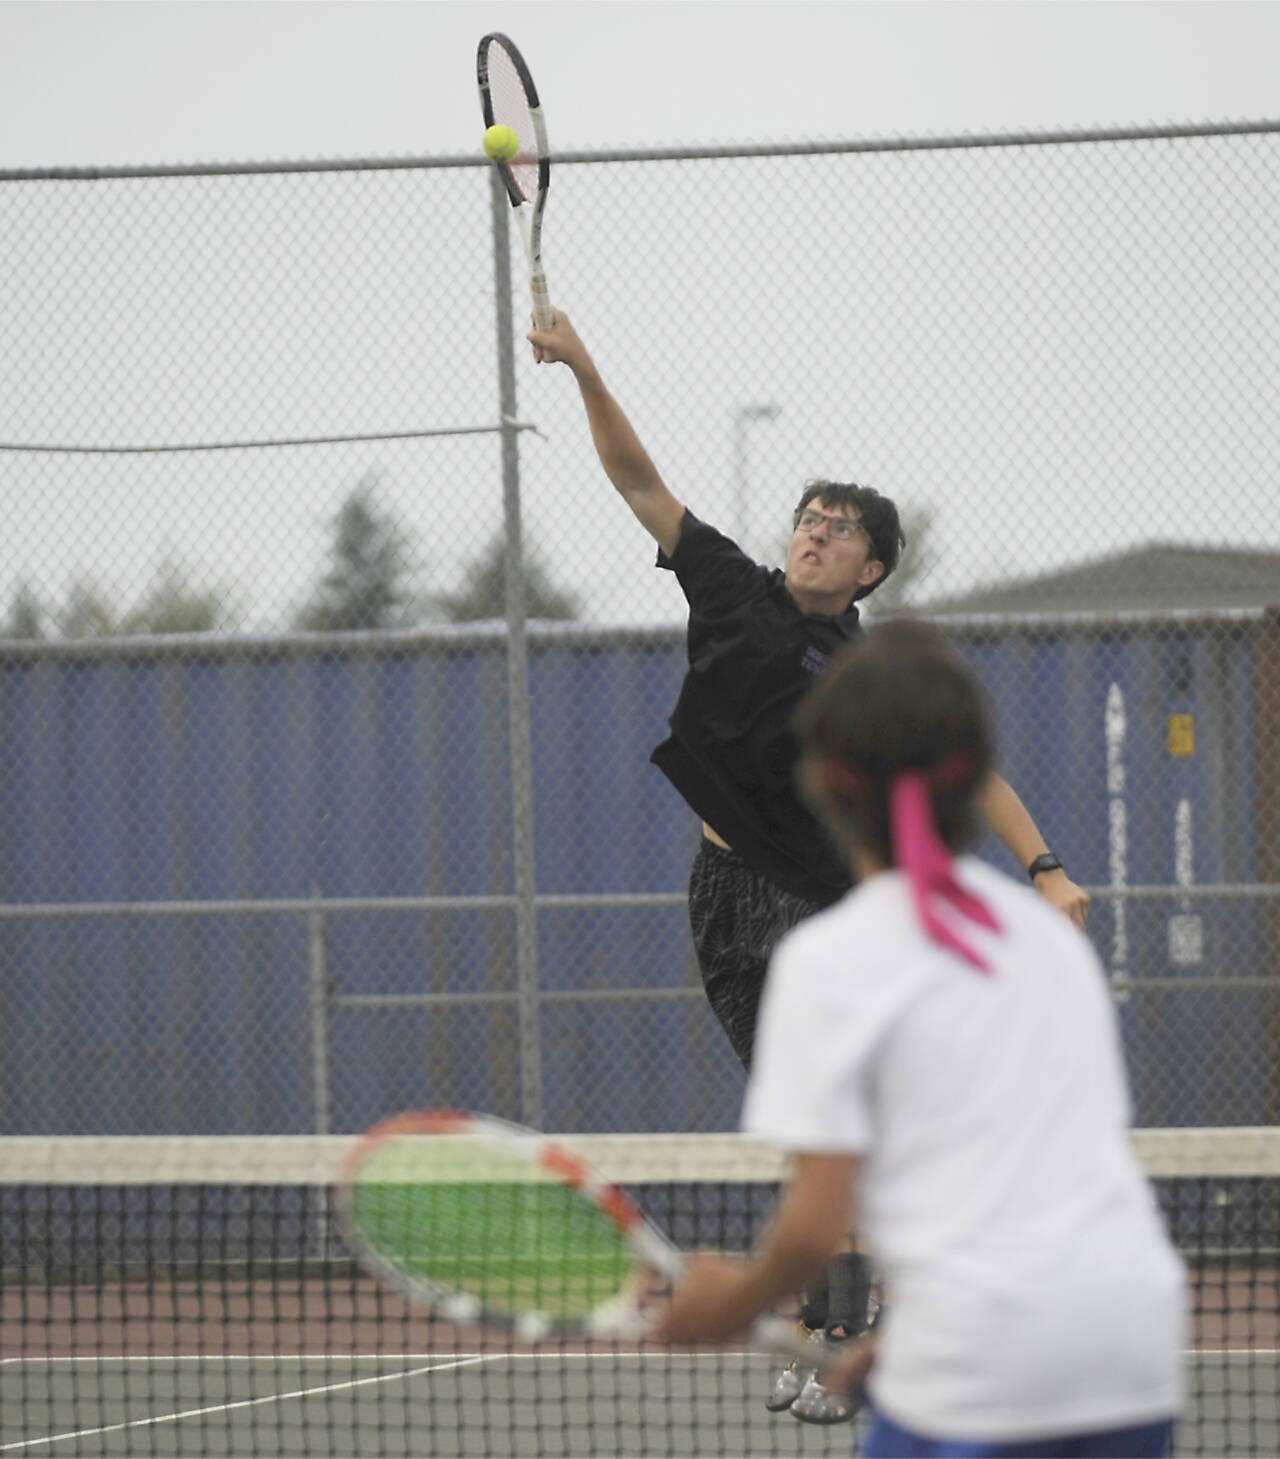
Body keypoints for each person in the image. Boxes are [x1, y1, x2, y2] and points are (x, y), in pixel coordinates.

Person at [529, 309, 1092, 1422]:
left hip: (812, 901)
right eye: (808, 518)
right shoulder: (728, 587)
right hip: (717, 897)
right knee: (810, 1130)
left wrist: (1046, 868)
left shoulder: (867, 665)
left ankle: (850, 1337)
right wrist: (586, 366)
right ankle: (846, 1329)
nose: (816, 533)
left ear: (871, 563)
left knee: (831, 1124)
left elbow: (967, 768)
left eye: (840, 528)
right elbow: (636, 477)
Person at [652, 619, 1186, 1458]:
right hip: (1133, 1345)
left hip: (983, 1367)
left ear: (823, 784)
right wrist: (908, 1344)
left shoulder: (828, 964)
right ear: (973, 781)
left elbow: (815, 1227)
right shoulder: (1050, 939)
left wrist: (733, 1300)